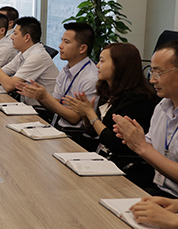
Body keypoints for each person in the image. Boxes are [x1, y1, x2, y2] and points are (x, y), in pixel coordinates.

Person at [63, 43, 158, 186]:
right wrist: (85, 115)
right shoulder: (108, 89)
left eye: (102, 61)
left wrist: (90, 113)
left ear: (119, 66)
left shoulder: (138, 98)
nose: (97, 65)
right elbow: (94, 132)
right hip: (102, 157)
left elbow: (114, 143)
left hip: (123, 166)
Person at [113, 40, 178, 197]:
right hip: (157, 189)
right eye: (151, 72)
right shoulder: (162, 106)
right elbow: (151, 148)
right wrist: (133, 138)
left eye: (158, 73)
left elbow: (147, 149)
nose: (152, 80)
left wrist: (142, 147)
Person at [16, 23, 98, 145]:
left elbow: (74, 118)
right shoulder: (66, 70)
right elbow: (55, 106)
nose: (60, 46)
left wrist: (45, 97)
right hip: (59, 128)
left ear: (82, 48)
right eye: (61, 41)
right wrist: (39, 97)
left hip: (78, 138)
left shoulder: (90, 78)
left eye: (66, 42)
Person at [0, 16, 59, 106]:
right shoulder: (23, 53)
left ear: (27, 37)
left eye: (15, 34)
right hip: (26, 104)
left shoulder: (37, 56)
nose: (12, 37)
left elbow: (9, 86)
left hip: (43, 110)